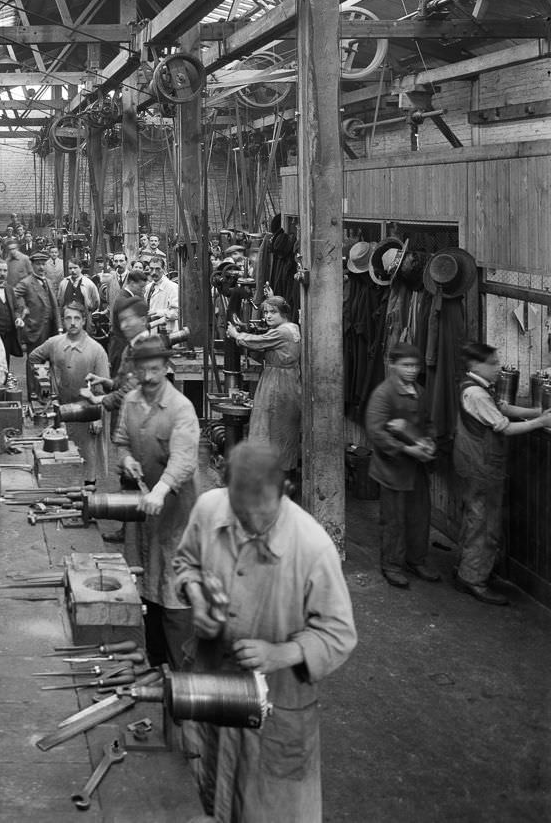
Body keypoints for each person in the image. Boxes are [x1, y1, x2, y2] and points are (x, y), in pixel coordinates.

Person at [173, 441, 358, 823]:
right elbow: (186, 561)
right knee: (206, 792)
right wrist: (197, 596)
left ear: (284, 492)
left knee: (268, 809)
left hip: (278, 711)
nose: (254, 524)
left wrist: (282, 654)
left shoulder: (312, 547)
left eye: (265, 513)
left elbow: (339, 633)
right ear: (227, 492)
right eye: (243, 515)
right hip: (212, 688)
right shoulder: (209, 509)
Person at [113, 338, 200, 669]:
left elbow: (184, 459)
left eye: (154, 370)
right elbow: (120, 441)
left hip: (176, 511)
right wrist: (126, 460)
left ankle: (183, 674)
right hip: (143, 511)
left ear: (166, 368)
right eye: (142, 370)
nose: (148, 377)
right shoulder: (132, 401)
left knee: (175, 589)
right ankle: (156, 663)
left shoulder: (181, 408)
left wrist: (161, 490)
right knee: (147, 582)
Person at [452, 341, 551, 605]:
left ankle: (466, 569)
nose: (497, 368)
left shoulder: (477, 387)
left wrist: (537, 411)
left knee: (475, 518)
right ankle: (473, 579)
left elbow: (503, 409)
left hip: (474, 463)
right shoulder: (476, 394)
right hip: (481, 466)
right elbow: (504, 426)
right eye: (493, 363)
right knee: (484, 524)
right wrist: (540, 422)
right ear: (476, 365)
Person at [365, 343, 439, 589]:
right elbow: (376, 431)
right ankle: (392, 565)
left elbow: (428, 422)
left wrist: (429, 441)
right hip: (392, 468)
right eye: (406, 365)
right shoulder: (384, 394)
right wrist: (406, 448)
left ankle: (416, 560)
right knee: (394, 519)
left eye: (415, 366)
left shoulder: (420, 391)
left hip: (416, 467)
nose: (412, 370)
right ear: (392, 364)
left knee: (420, 516)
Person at [28, 302, 109, 485]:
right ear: (63, 320)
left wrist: (97, 417)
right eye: (68, 318)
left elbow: (102, 388)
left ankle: (89, 503)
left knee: (88, 460)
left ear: (83, 321)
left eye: (77, 318)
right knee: (63, 457)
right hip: (61, 410)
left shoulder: (96, 351)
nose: (72, 323)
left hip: (87, 412)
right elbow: (33, 357)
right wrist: (43, 373)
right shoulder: (54, 343)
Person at [226, 296, 302, 473]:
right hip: (288, 379)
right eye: (266, 312)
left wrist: (237, 335)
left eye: (272, 312)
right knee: (281, 429)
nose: (267, 316)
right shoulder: (292, 327)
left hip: (277, 382)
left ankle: (269, 472)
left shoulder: (282, 332)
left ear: (283, 313)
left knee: (268, 426)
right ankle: (280, 469)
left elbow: (258, 342)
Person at [14, 250, 61, 354]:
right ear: (32, 265)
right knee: (34, 361)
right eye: (38, 264)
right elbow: (12, 298)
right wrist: (22, 311)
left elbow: (55, 306)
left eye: (43, 264)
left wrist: (59, 327)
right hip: (34, 330)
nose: (41, 267)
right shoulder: (26, 283)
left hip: (51, 329)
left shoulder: (48, 282)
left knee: (48, 361)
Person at [59, 257, 101, 332]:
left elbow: (96, 302)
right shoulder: (64, 283)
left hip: (83, 320)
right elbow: (60, 300)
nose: (72, 271)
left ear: (81, 268)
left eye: (75, 268)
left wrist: (88, 310)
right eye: (70, 268)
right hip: (67, 320)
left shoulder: (88, 284)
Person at [144, 255, 179, 334]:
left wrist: (157, 313)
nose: (154, 272)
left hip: (168, 332)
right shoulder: (148, 287)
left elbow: (176, 312)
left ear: (164, 269)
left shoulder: (172, 287)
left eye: (157, 269)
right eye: (151, 269)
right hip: (151, 332)